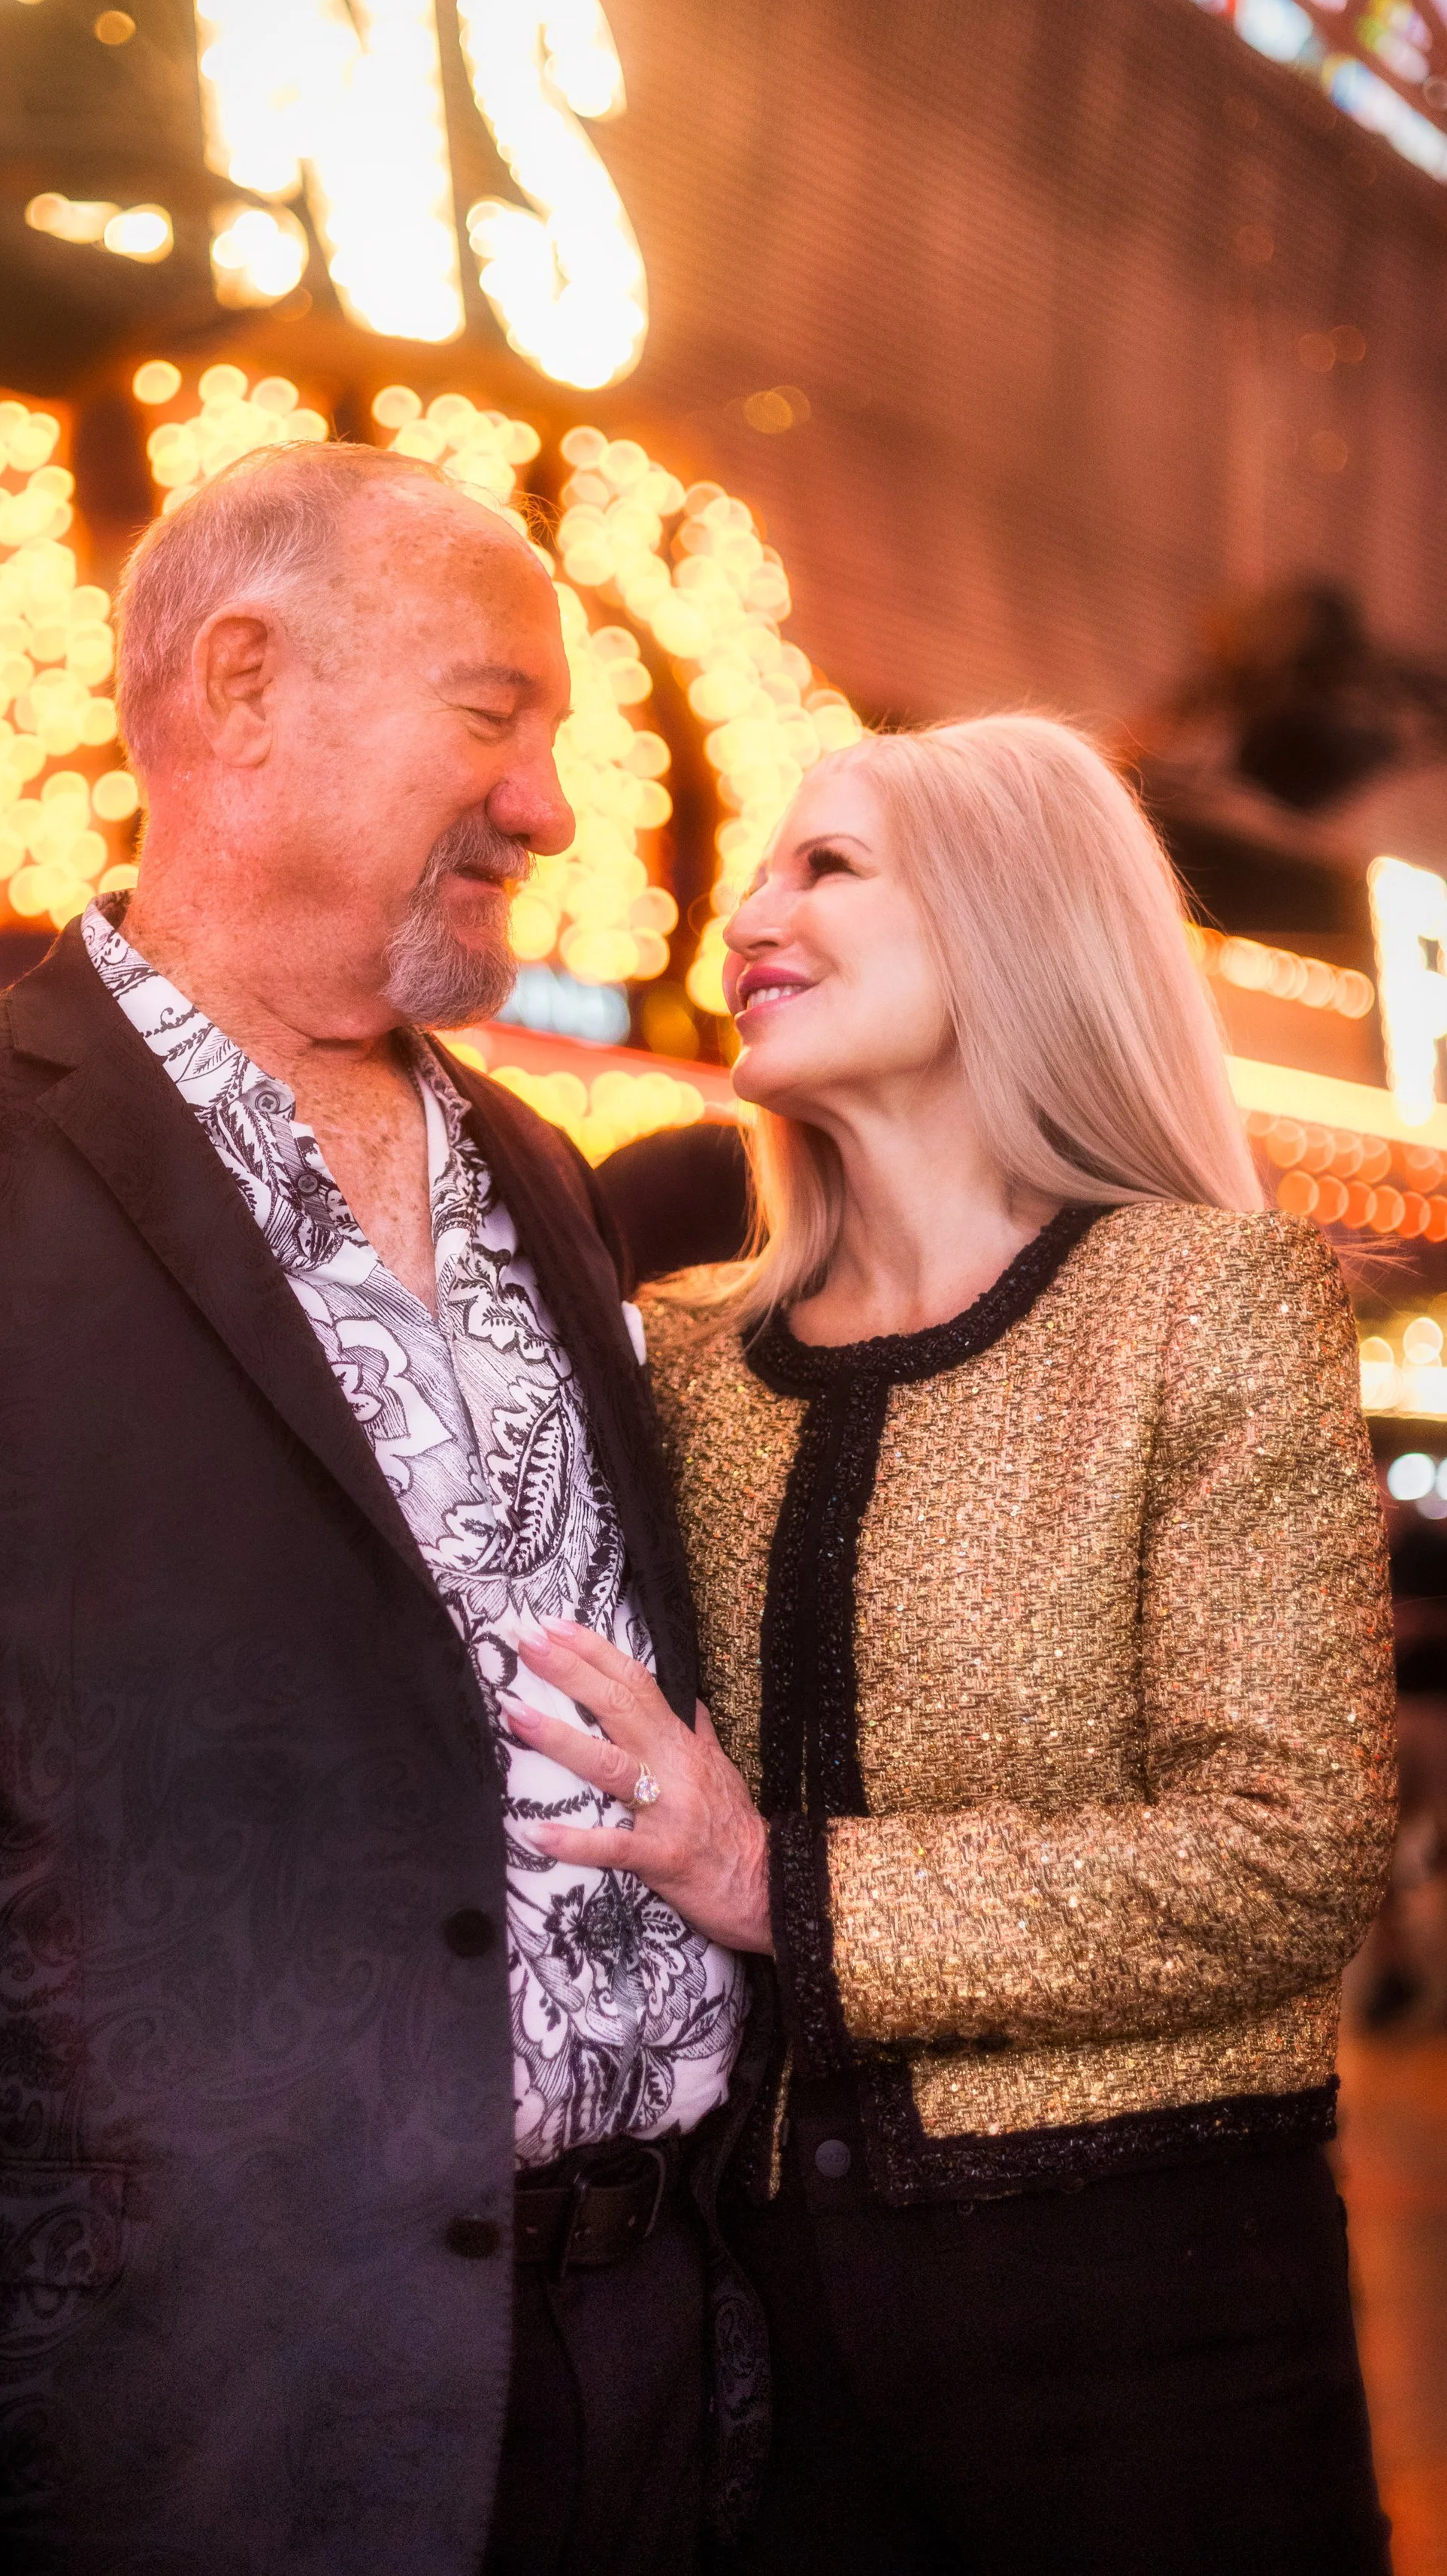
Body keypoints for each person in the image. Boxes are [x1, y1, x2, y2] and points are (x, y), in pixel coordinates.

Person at [0, 442, 749, 2576]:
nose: (552, 805)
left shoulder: (542, 1177)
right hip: (183, 2443)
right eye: (495, 712)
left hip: (659, 2373)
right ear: (240, 682)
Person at [507, 715, 1398, 2574]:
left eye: (826, 865)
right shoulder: (681, 1361)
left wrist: (779, 1885)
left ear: (1012, 917)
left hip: (1146, 2332)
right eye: (757, 872)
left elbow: (1285, 1850)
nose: (747, 913)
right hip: (750, 2335)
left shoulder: (1201, 1296)